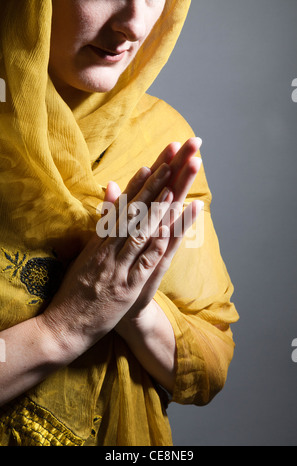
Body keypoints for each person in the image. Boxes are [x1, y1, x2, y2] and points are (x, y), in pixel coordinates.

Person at [0, 0, 239, 446]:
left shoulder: (158, 139)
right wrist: (65, 327)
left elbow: (209, 364)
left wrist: (133, 306)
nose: (134, 23)